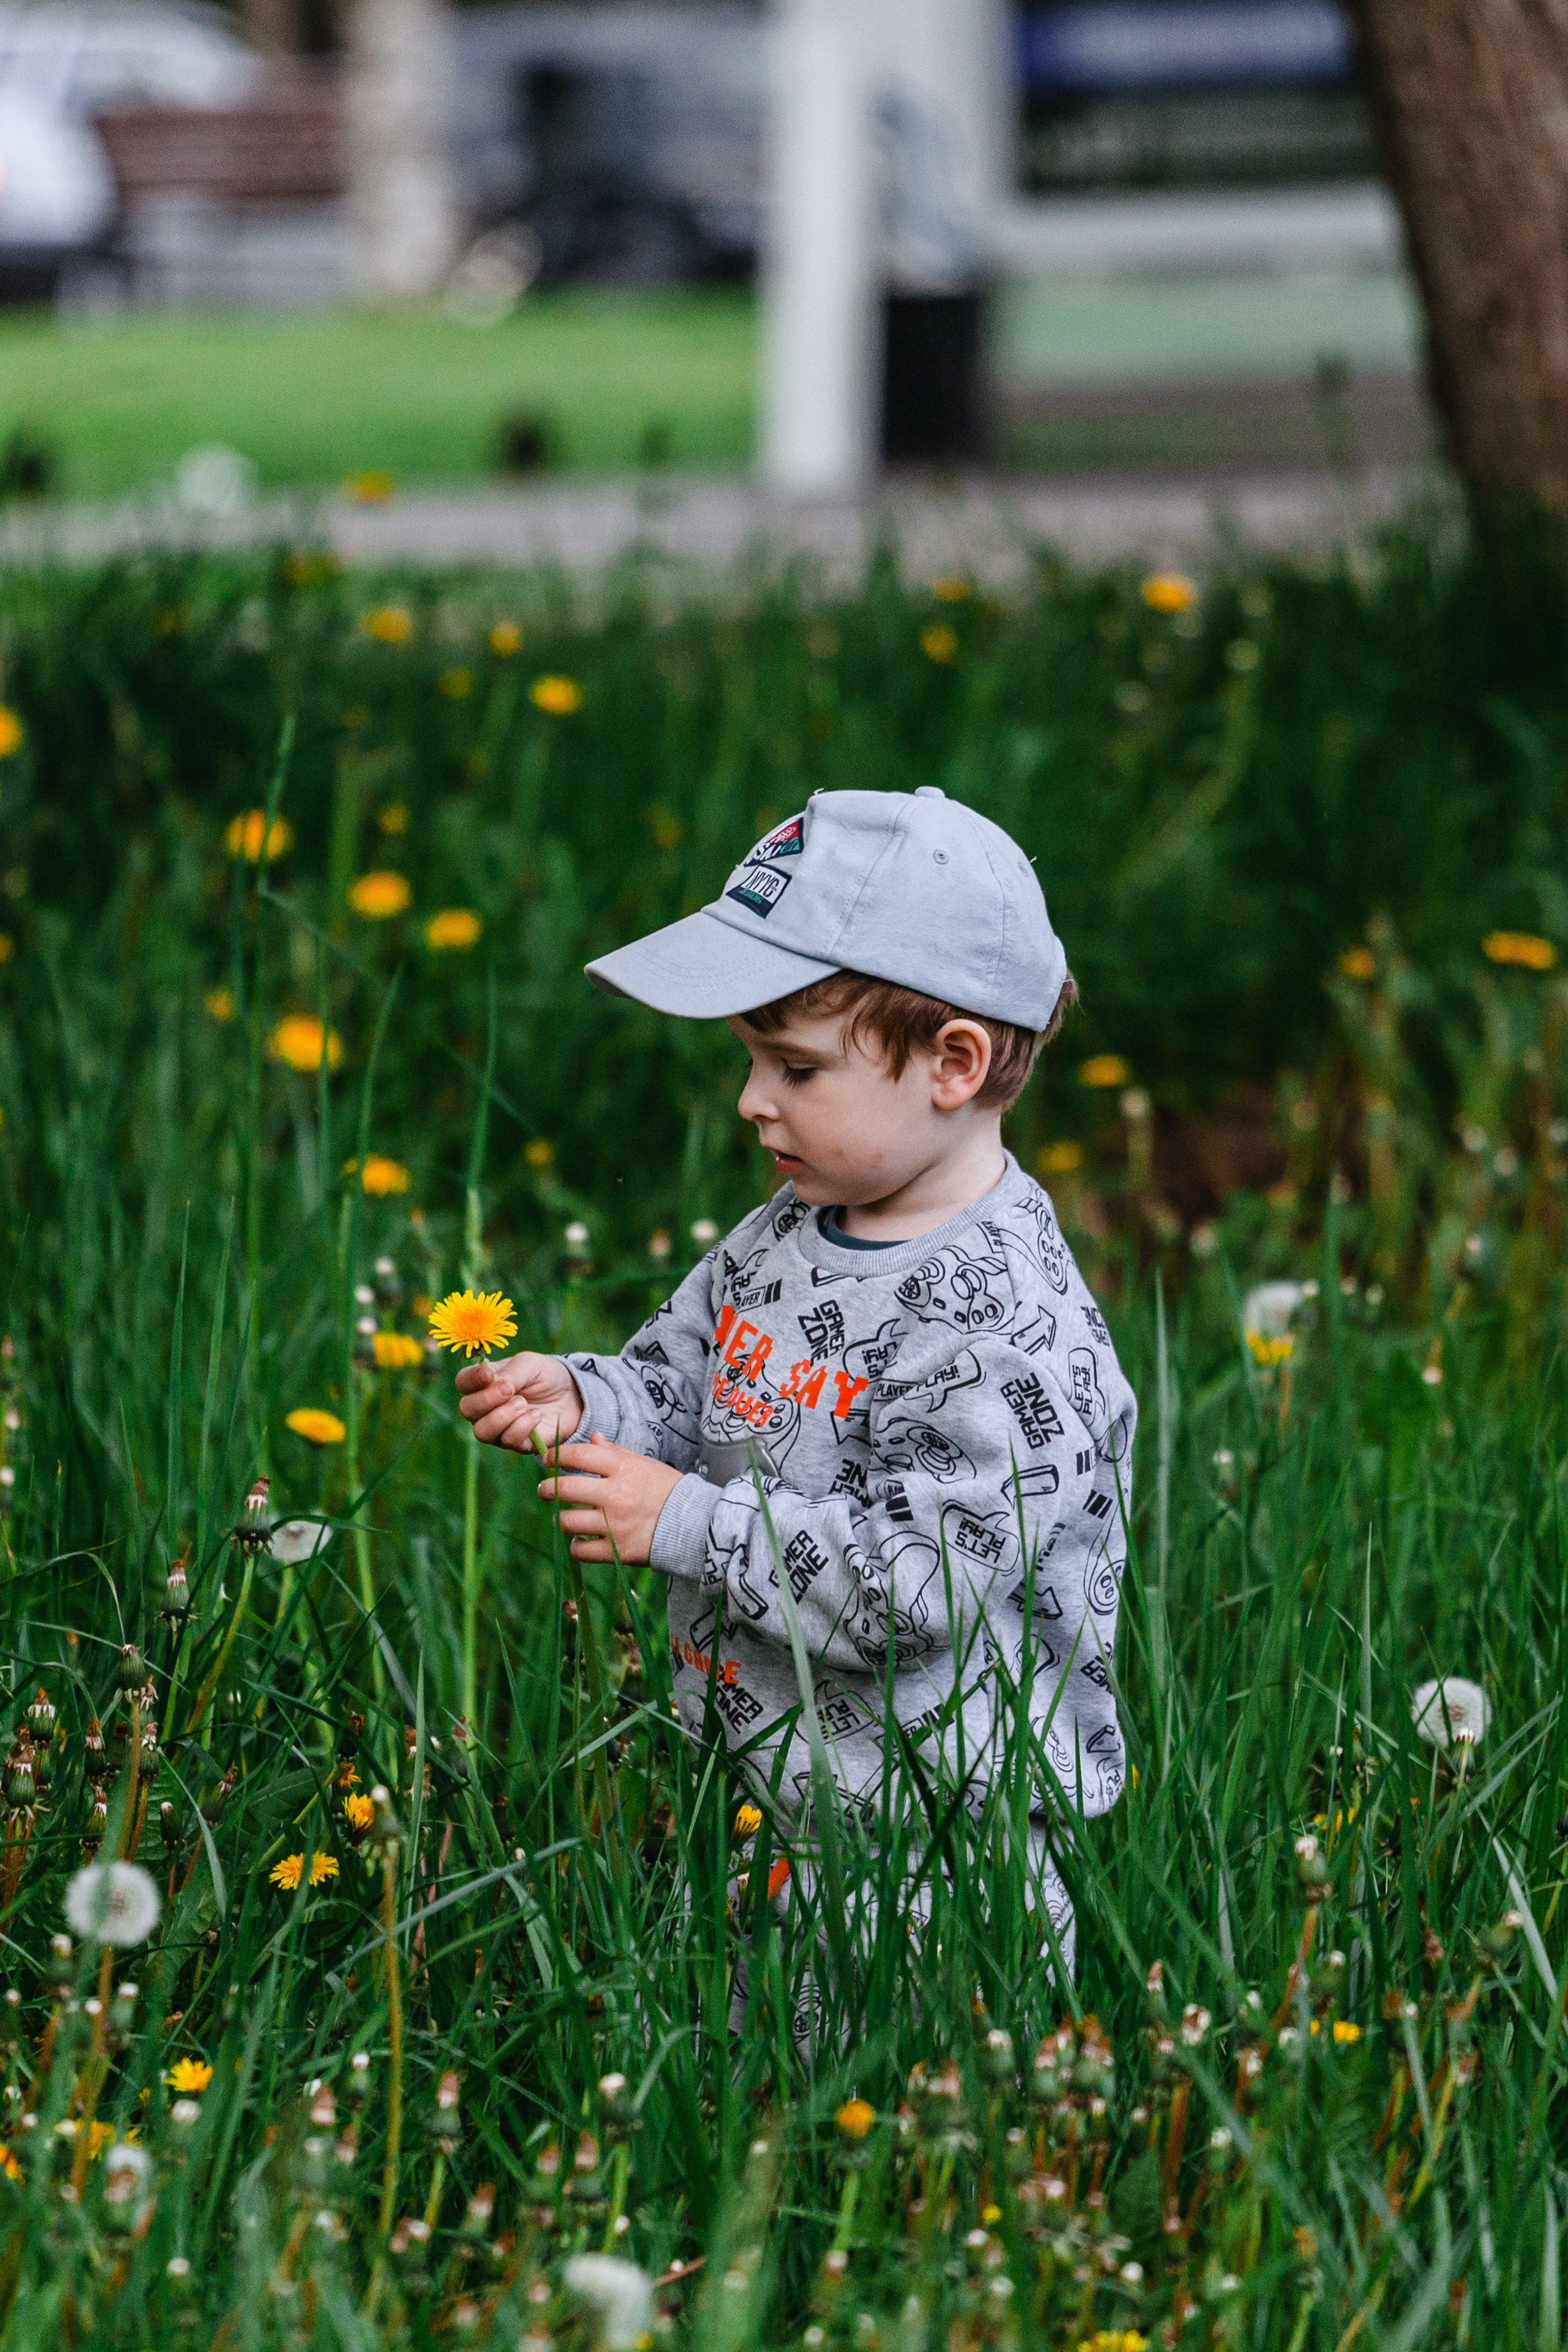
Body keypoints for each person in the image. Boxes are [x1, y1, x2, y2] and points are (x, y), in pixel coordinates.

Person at [456, 787, 1135, 1992]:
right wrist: (586, 1400)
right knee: (740, 2105)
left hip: (938, 1847)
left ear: (953, 1062)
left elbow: (920, 1584)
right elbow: (688, 1380)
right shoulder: (790, 1234)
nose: (752, 1101)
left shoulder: (1003, 1322)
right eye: (752, 1060)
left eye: (795, 1066)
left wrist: (682, 1523)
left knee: (895, 2137)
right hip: (760, 1788)